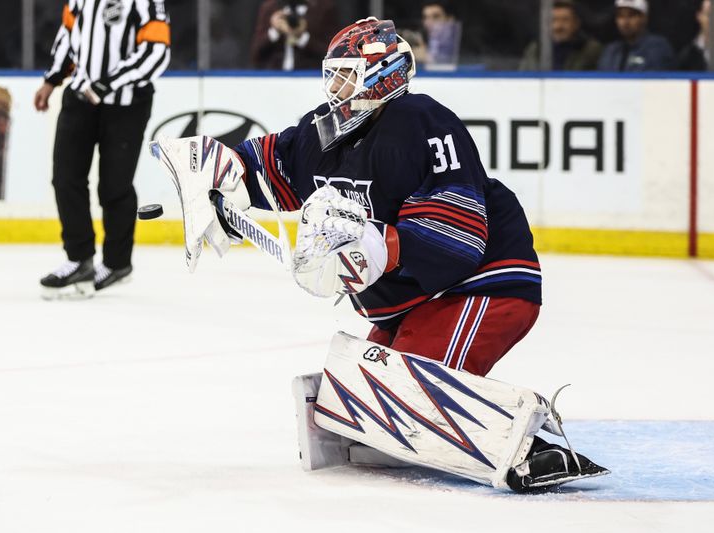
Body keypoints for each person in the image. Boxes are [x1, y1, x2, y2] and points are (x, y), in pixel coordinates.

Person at [163, 17, 608, 492]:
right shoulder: (325, 130)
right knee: (358, 397)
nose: (335, 86)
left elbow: (460, 238)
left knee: (402, 395)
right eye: (332, 74)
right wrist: (219, 168)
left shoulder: (423, 123)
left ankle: (533, 447)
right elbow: (272, 168)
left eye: (346, 74)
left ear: (382, 74)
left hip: (483, 283)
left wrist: (383, 245)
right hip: (418, 299)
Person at [34, 0, 171, 300]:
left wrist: (109, 83)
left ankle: (116, 264)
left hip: (127, 105)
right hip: (79, 98)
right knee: (65, 178)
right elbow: (68, 35)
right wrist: (52, 79)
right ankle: (79, 259)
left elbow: (156, 52)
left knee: (114, 186)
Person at [250, 0, 338, 70]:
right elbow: (256, 53)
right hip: (273, 76)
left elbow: (331, 53)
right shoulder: (270, 7)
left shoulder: (323, 8)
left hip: (309, 77)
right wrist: (275, 31)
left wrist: (301, 37)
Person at [519, 0, 602, 71]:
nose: (558, 26)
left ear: (576, 23)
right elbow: (522, 78)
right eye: (553, 20)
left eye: (565, 20)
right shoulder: (535, 48)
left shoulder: (590, 50)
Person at [597, 0, 675, 71]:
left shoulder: (657, 47)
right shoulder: (611, 51)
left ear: (644, 17)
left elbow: (657, 82)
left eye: (631, 15)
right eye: (620, 16)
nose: (625, 22)